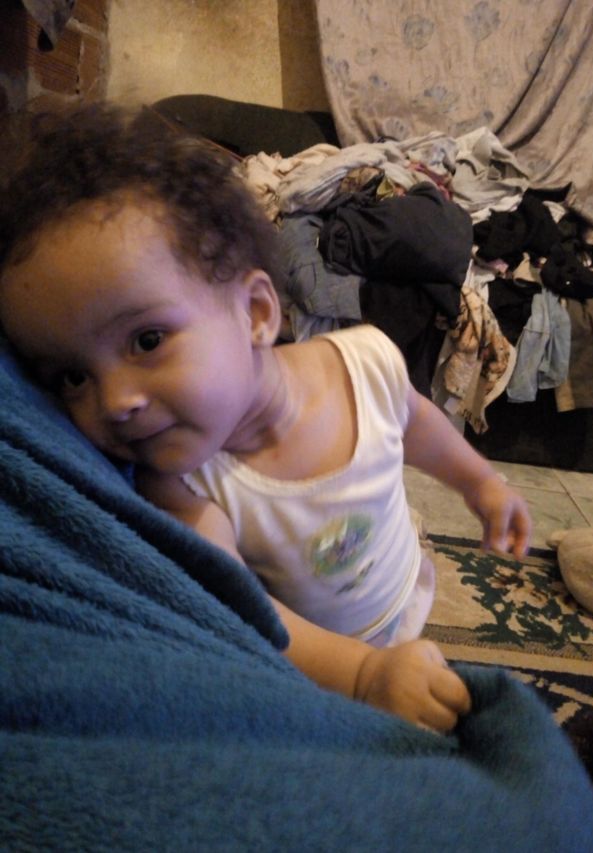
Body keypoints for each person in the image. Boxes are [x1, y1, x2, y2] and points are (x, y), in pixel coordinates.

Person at [0, 104, 531, 733]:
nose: (114, 401)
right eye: (72, 377)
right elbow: (247, 614)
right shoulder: (183, 491)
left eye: (146, 341)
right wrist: (363, 675)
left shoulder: (365, 360)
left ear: (255, 312)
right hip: (326, 667)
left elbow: (415, 422)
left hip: (401, 589)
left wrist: (480, 483)